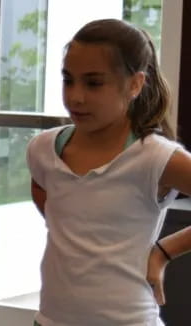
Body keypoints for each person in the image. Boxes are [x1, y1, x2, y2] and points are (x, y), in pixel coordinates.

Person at [27, 18, 191, 326]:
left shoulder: (155, 157)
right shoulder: (42, 149)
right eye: (68, 80)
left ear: (135, 84)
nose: (75, 96)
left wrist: (164, 251)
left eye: (93, 83)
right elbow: (41, 190)